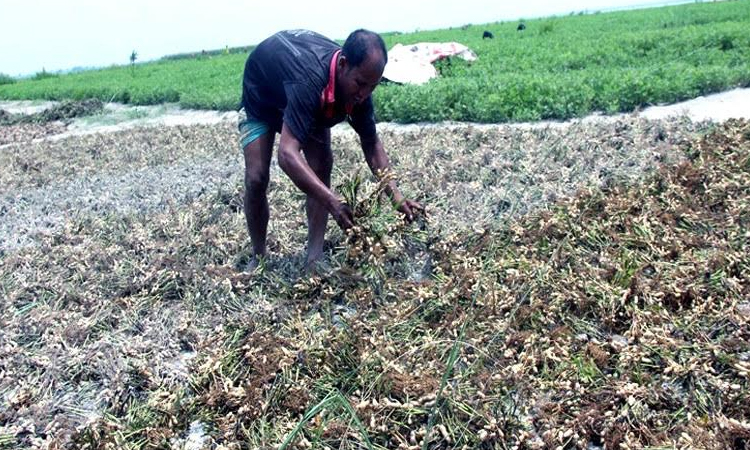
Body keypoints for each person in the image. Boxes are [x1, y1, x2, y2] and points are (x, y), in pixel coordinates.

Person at [239, 29, 422, 271]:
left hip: (303, 97)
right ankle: (258, 256)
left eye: (372, 87)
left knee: (322, 164)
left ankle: (314, 259)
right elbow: (287, 154)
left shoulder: (360, 90)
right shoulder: (310, 81)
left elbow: (371, 143)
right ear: (344, 65)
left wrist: (396, 197)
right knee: (256, 177)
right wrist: (332, 201)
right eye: (360, 84)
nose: (364, 94)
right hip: (262, 98)